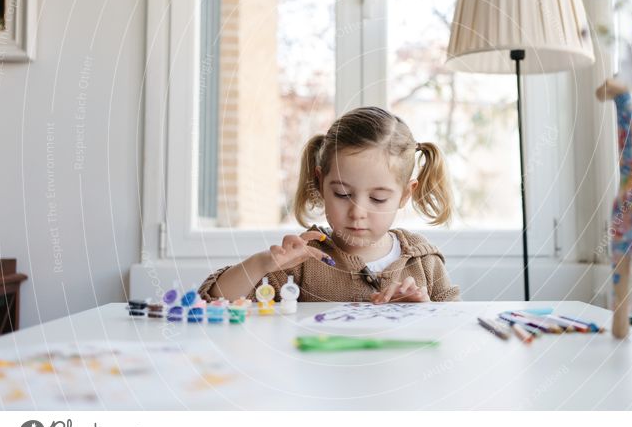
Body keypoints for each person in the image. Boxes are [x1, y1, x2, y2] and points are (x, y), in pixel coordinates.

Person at [197, 106, 461, 304]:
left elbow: (455, 333)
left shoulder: (424, 262)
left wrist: (426, 314)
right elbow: (214, 302)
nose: (358, 212)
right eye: (343, 194)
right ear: (321, 183)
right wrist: (263, 263)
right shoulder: (302, 261)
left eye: (378, 199)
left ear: (405, 195)